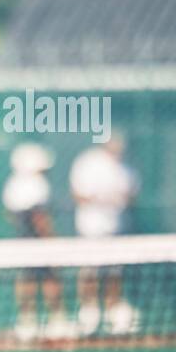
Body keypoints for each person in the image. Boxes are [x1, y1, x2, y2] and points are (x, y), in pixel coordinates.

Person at [1, 142, 74, 341]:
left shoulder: (12, 184)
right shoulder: (37, 184)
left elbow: (10, 215)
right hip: (38, 241)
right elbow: (39, 217)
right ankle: (57, 321)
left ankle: (27, 321)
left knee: (27, 278)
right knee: (50, 278)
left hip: (22, 240)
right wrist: (52, 241)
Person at [70, 134, 140, 335]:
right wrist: (100, 200)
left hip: (116, 229)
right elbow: (78, 195)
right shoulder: (88, 163)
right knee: (89, 271)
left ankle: (113, 312)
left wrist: (119, 200)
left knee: (114, 272)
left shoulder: (127, 170)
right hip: (90, 229)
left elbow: (131, 197)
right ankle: (89, 313)